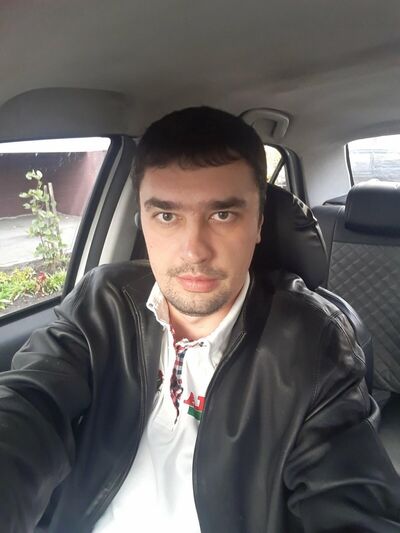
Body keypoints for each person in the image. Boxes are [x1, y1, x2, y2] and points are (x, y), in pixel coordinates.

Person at [0, 107, 399, 533]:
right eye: (167, 216)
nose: (194, 250)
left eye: (222, 215)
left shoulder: (314, 343)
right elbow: (30, 402)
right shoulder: (103, 301)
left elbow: (351, 498)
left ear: (259, 223)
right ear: (142, 221)